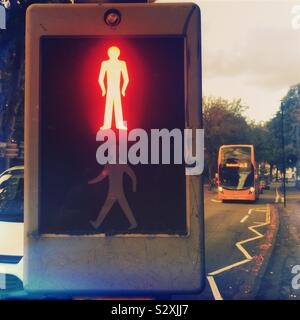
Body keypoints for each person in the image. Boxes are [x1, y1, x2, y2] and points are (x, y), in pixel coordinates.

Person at [89, 163, 138, 230]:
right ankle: (97, 223)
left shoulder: (114, 165)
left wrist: (91, 182)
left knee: (108, 208)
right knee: (109, 208)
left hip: (116, 191)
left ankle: (97, 223)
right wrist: (91, 182)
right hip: (114, 191)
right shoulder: (116, 165)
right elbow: (132, 175)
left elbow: (101, 176)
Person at [98, 46, 129, 130]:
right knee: (109, 106)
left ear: (118, 54)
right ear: (109, 54)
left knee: (117, 106)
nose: (113, 55)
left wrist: (123, 89)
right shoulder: (105, 63)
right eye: (112, 53)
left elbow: (126, 78)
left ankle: (118, 125)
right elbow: (100, 78)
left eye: (115, 53)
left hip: (115, 89)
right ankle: (107, 125)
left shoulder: (122, 63)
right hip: (111, 89)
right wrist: (103, 89)